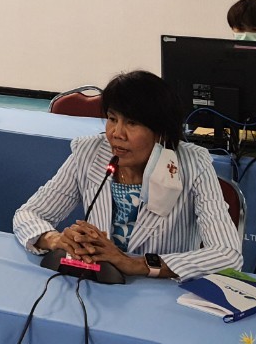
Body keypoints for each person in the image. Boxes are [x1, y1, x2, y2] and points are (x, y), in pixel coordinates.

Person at [13, 70, 242, 281]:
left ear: (161, 131)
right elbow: (28, 214)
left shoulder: (193, 164)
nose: (116, 134)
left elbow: (227, 255)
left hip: (162, 293)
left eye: (131, 123)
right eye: (112, 119)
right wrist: (55, 239)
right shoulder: (90, 153)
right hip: (97, 286)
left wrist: (135, 264)